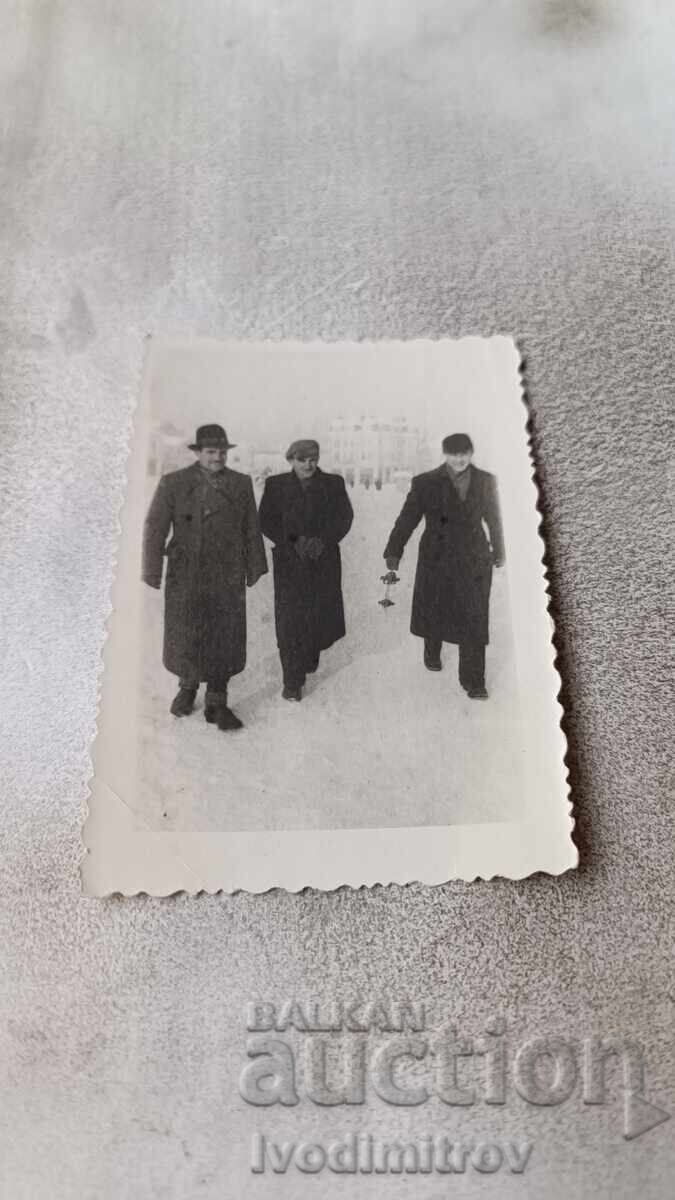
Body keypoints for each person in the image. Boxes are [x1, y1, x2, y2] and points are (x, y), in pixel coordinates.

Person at [142, 424, 268, 730]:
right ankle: (187, 689)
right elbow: (155, 527)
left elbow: (251, 527)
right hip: (186, 573)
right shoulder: (174, 482)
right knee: (187, 631)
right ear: (198, 453)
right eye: (211, 452)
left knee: (224, 635)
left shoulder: (240, 484)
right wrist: (152, 569)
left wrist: (254, 566)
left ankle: (217, 701)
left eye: (222, 452)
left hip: (226, 574)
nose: (218, 457)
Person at [382, 433, 504, 699]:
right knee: (435, 606)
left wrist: (499, 549)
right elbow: (407, 519)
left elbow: (495, 519)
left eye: (464, 453)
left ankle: (473, 681)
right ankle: (432, 647)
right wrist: (394, 550)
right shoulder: (426, 483)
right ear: (445, 454)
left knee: (474, 615)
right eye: (453, 454)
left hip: (474, 557)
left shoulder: (486, 481)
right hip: (437, 556)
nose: (459, 459)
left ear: (471, 453)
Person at [259, 439, 354, 701]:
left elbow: (344, 517)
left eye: (313, 458)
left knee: (319, 617)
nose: (308, 464)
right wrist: (294, 542)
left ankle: (310, 654)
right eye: (302, 459)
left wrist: (323, 540)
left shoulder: (334, 484)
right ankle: (292, 680)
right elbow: (265, 520)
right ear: (291, 460)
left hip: (323, 561)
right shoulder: (276, 485)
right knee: (289, 620)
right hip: (290, 563)